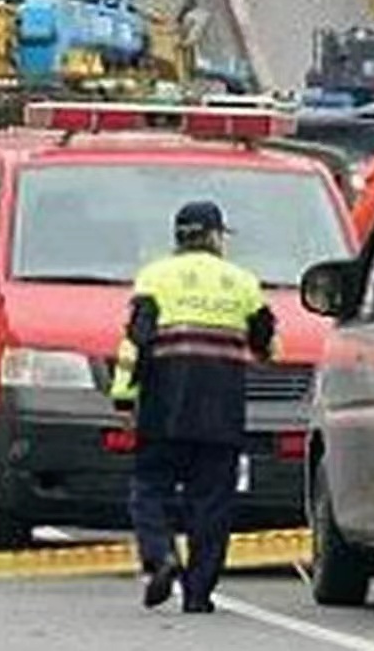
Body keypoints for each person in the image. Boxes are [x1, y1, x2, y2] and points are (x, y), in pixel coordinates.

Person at [112, 198, 279, 614]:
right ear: (215, 237)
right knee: (212, 503)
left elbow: (136, 342)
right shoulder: (242, 282)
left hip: (163, 409)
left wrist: (123, 396)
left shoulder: (153, 277)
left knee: (149, 490)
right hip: (222, 413)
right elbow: (266, 346)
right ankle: (199, 594)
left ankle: (161, 557)